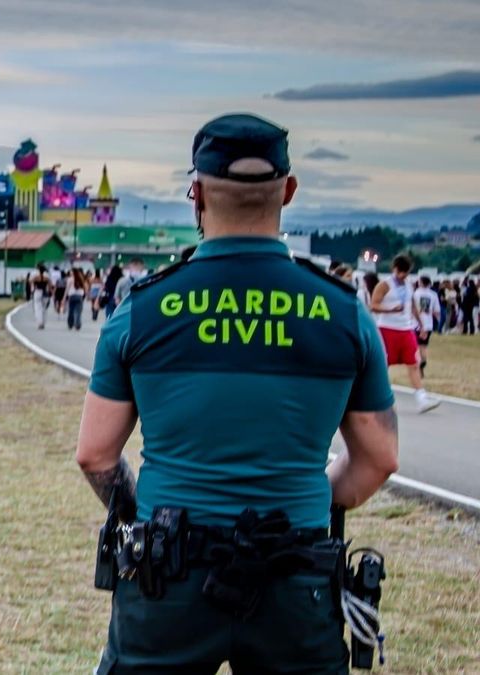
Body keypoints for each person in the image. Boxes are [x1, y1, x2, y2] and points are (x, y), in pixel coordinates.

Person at [76, 113, 400, 674]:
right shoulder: (344, 312)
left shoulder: (145, 308)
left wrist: (144, 518)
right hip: (295, 576)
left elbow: (95, 454)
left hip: (166, 578)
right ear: (289, 191)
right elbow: (379, 458)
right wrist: (308, 499)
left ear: (195, 194)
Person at [371, 255, 440, 413]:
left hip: (406, 329)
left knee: (413, 363)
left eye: (406, 272)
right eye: (401, 271)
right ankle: (382, 399)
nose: (403, 275)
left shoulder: (409, 285)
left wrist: (421, 325)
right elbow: (373, 305)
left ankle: (421, 398)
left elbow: (413, 307)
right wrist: (390, 309)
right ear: (394, 268)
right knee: (383, 366)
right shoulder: (384, 285)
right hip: (387, 328)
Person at [413, 275, 441, 377]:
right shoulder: (433, 294)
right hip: (428, 324)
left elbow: (412, 309)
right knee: (423, 346)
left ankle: (418, 364)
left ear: (420, 282)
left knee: (415, 346)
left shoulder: (415, 293)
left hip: (416, 324)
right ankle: (423, 362)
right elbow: (437, 311)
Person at [30, 264, 51, 330]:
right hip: (45, 292)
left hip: (38, 292)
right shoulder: (47, 277)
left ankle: (40, 323)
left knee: (38, 308)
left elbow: (30, 281)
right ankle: (43, 322)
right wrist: (50, 292)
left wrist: (32, 289)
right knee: (44, 309)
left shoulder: (36, 277)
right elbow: (50, 285)